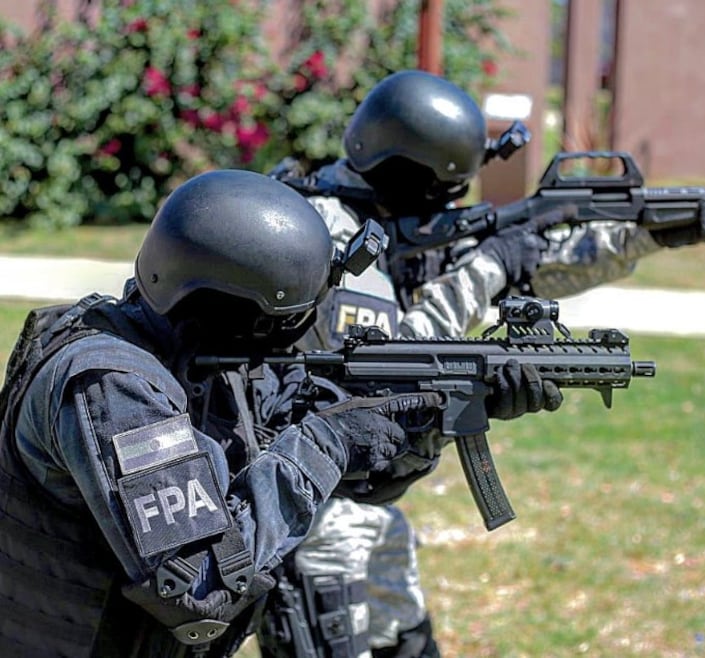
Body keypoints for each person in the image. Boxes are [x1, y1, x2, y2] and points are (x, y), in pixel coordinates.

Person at [259, 69, 705, 658]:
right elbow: (381, 370)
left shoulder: (398, 218)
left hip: (365, 499)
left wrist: (662, 231)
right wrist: (489, 268)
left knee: (407, 633)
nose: (459, 201)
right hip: (305, 505)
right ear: (422, 174)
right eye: (452, 186)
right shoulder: (325, 232)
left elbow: (543, 260)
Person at [0, 168, 518, 658]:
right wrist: (328, 443)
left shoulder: (204, 359)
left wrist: (433, 416)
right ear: (251, 318)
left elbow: (354, 486)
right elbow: (200, 585)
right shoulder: (112, 387)